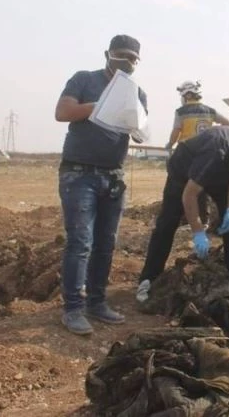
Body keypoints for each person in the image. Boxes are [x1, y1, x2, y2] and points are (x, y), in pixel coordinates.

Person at [55, 34, 147, 335]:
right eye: (122, 55)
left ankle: (96, 302)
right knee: (81, 242)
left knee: (106, 244)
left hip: (113, 176)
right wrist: (102, 105)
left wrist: (135, 121)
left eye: (133, 58)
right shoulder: (84, 80)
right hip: (79, 174)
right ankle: (72, 308)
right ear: (107, 54)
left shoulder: (137, 94)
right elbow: (63, 112)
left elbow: (139, 134)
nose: (128, 62)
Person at [136, 126, 229, 303]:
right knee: (167, 223)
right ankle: (149, 279)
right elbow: (190, 194)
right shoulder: (215, 154)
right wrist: (198, 232)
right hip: (183, 172)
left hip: (220, 174)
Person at [167, 80, 229, 225]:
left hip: (187, 153)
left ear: (187, 95)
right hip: (206, 154)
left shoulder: (181, 112)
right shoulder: (209, 110)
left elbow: (176, 131)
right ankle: (204, 220)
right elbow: (227, 123)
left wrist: (170, 144)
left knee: (184, 187)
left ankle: (186, 219)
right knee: (201, 187)